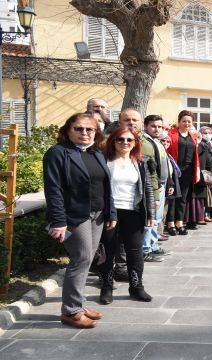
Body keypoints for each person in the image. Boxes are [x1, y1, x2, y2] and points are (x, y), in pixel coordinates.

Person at [44, 113, 115, 328]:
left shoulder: (96, 153)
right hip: (74, 216)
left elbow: (106, 186)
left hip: (98, 214)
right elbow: (53, 189)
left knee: (87, 259)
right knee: (81, 258)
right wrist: (58, 221)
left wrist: (111, 212)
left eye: (89, 129)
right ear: (68, 130)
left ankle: (78, 304)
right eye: (79, 128)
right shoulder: (57, 153)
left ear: (96, 132)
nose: (84, 133)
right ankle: (71, 311)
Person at [101, 126, 155, 305]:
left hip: (134, 212)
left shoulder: (139, 161)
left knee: (135, 251)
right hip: (110, 212)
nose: (125, 143)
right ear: (113, 141)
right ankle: (107, 287)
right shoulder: (104, 160)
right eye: (120, 139)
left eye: (129, 140)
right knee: (108, 251)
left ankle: (136, 286)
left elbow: (147, 188)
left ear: (135, 143)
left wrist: (151, 212)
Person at [140, 115, 169, 262]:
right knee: (150, 220)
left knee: (156, 219)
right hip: (153, 187)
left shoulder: (156, 141)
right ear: (145, 126)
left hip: (161, 185)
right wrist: (156, 194)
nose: (157, 129)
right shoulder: (145, 143)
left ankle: (153, 246)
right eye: (153, 126)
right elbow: (150, 171)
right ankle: (145, 249)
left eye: (160, 126)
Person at [166, 110, 200, 235]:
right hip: (174, 170)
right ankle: (170, 222)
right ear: (179, 121)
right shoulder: (171, 134)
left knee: (183, 198)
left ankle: (179, 222)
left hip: (188, 171)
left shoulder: (193, 136)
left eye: (189, 121)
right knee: (172, 197)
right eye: (184, 121)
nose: (186, 123)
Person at [191, 126, 212, 224]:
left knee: (205, 196)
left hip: (206, 173)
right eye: (205, 133)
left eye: (209, 132)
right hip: (200, 173)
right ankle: (200, 217)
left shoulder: (209, 144)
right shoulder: (199, 144)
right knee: (199, 196)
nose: (208, 135)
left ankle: (204, 215)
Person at [160, 133, 182, 236]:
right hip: (164, 184)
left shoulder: (167, 154)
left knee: (166, 208)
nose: (166, 143)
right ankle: (160, 231)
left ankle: (160, 231)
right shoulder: (161, 153)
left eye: (168, 141)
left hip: (170, 182)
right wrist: (170, 184)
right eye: (163, 141)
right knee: (161, 210)